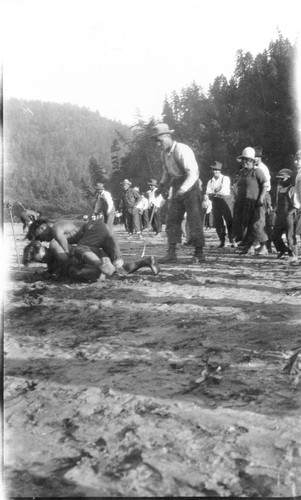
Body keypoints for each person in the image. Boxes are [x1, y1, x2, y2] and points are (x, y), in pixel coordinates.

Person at [151, 123, 204, 263]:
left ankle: (199, 253)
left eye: (159, 140)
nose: (158, 144)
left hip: (190, 186)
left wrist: (182, 190)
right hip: (176, 187)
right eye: (156, 141)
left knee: (194, 220)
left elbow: (193, 173)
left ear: (167, 136)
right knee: (172, 220)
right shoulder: (164, 154)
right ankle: (171, 253)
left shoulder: (182, 149)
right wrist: (161, 186)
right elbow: (167, 172)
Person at [26, 218, 124, 277]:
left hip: (92, 228)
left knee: (81, 249)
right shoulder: (60, 225)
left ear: (42, 227)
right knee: (117, 263)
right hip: (104, 229)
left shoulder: (55, 228)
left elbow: (62, 240)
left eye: (40, 237)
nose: (43, 241)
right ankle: (118, 263)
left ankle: (102, 265)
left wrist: (68, 252)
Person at [23, 240, 160, 281]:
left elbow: (65, 263)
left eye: (39, 258)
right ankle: (146, 261)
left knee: (75, 271)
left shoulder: (55, 248)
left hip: (91, 255)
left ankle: (109, 275)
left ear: (40, 250)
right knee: (119, 271)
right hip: (91, 258)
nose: (41, 261)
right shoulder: (50, 260)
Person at [232, 147, 269, 255]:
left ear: (252, 161)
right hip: (243, 203)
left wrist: (261, 198)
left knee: (257, 225)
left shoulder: (257, 172)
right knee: (245, 225)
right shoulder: (241, 173)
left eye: (247, 160)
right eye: (243, 159)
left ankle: (264, 247)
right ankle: (249, 247)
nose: (245, 162)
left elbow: (265, 185)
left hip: (255, 202)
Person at [272, 168, 299, 261]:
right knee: (275, 235)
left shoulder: (292, 189)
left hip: (289, 217)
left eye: (282, 179)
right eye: (279, 179)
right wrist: (274, 212)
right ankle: (282, 249)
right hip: (279, 216)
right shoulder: (279, 189)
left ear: (288, 179)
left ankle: (293, 254)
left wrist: (288, 214)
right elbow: (277, 203)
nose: (280, 181)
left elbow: (297, 205)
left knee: (290, 236)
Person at [205, 161, 234, 248]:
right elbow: (207, 192)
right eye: (213, 170)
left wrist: (213, 192)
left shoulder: (225, 178)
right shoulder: (210, 181)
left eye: (217, 170)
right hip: (216, 201)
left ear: (220, 170)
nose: (215, 172)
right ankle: (222, 241)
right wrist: (215, 191)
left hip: (225, 201)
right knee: (218, 222)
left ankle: (233, 240)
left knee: (229, 220)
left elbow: (224, 191)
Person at [254, 147, 273, 254]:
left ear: (260, 157)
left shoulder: (262, 168)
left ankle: (266, 246)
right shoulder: (255, 168)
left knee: (263, 221)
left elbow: (265, 185)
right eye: (254, 157)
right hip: (257, 195)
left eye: (257, 157)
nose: (255, 159)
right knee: (258, 221)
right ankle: (263, 245)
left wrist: (261, 197)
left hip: (264, 195)